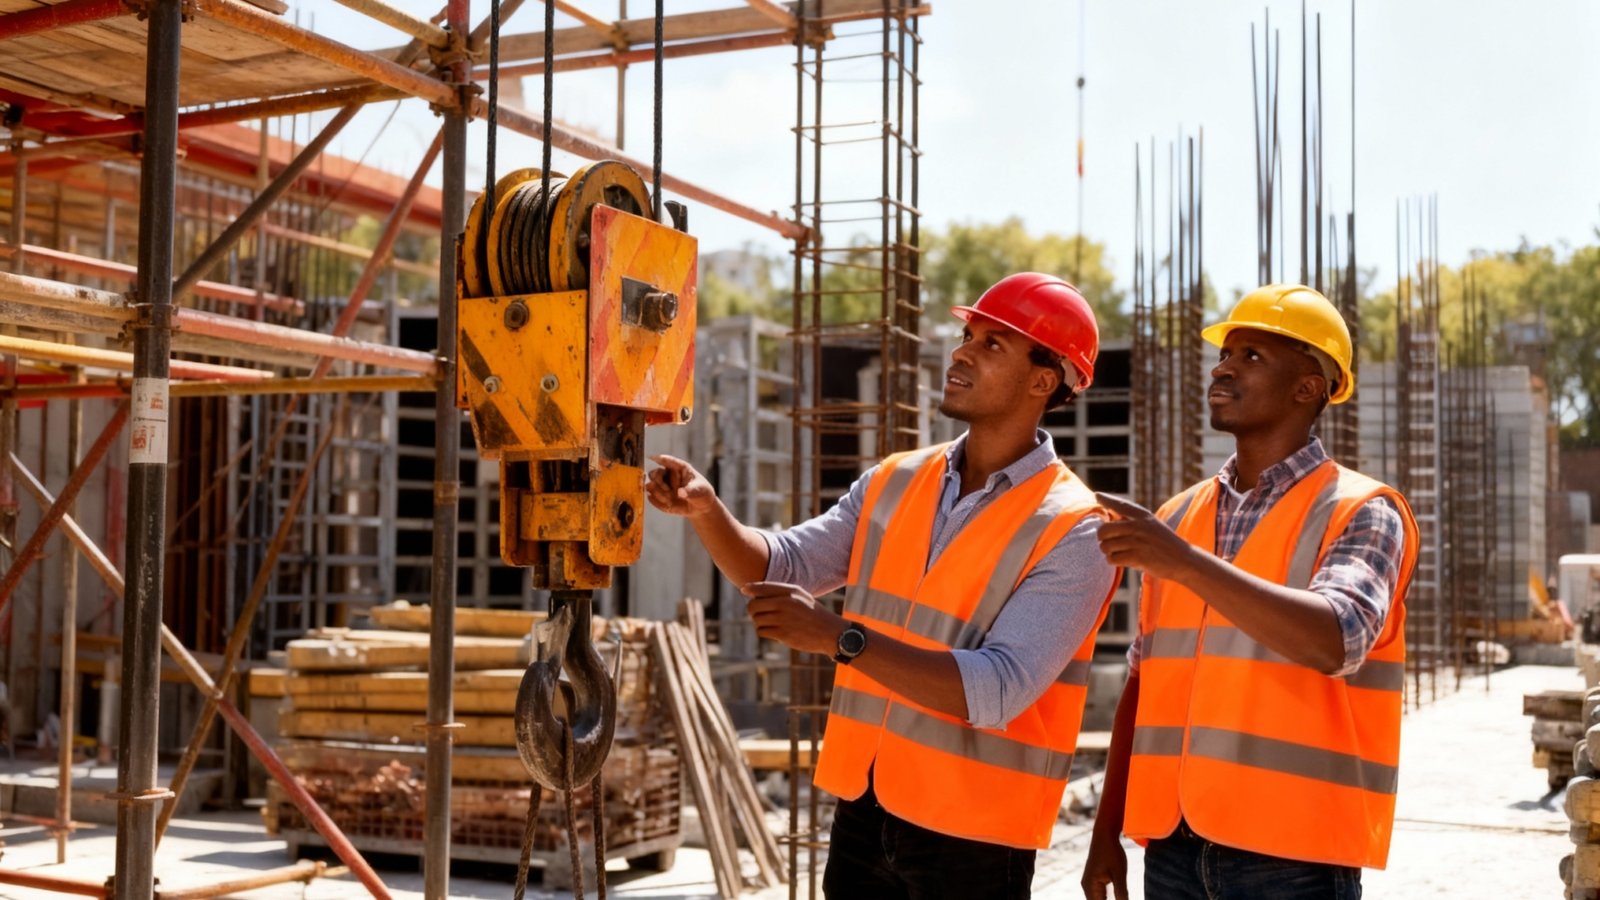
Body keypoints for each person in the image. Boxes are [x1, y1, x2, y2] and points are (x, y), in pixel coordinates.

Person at [647, 273, 1120, 899]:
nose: (961, 352)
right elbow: (783, 566)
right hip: (864, 814)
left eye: (992, 345)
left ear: (1044, 380)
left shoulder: (1077, 529)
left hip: (975, 840)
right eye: (967, 335)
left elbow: (998, 688)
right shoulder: (897, 480)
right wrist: (710, 514)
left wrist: (839, 639)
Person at [1081, 284, 1418, 900]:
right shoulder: (1179, 517)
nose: (1224, 367)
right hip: (1172, 846)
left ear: (1308, 387)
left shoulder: (1363, 512)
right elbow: (1142, 681)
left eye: (1252, 356)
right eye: (1225, 353)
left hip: (1292, 857)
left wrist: (1185, 564)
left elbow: (1336, 638)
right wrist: (1106, 832)